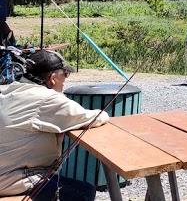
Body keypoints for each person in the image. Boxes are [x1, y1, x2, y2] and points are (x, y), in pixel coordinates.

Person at [0, 50, 109, 200]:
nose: (65, 80)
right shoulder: (46, 99)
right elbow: (93, 117)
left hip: (6, 172)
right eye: (65, 74)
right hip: (9, 181)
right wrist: (105, 114)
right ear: (52, 78)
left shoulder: (10, 89)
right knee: (85, 192)